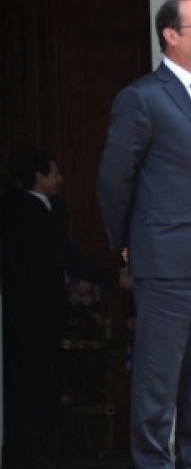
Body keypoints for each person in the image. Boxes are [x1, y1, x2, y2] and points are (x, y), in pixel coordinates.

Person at [97, 0, 191, 469]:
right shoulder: (142, 98)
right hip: (166, 260)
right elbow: (114, 179)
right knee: (157, 380)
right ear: (170, 36)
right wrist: (124, 245)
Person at [1, 148, 129, 469]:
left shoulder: (51, 208)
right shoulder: (28, 211)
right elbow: (65, 256)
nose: (62, 179)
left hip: (45, 311)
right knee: (33, 384)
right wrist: (115, 279)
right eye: (55, 173)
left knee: (43, 382)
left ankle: (37, 451)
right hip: (31, 313)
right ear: (38, 177)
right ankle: (27, 455)